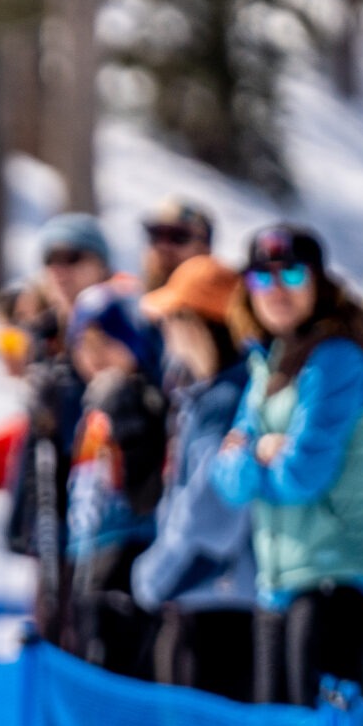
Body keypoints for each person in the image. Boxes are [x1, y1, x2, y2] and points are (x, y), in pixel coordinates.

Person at [211, 225, 363, 707]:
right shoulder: (266, 364)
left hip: (338, 570)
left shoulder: (336, 359)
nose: (275, 289)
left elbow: (304, 475)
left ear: (319, 282)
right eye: (261, 277)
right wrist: (260, 452)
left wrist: (251, 457)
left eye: (291, 273)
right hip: (282, 579)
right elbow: (225, 479)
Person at [132, 255, 257, 699]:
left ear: (197, 324)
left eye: (171, 317)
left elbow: (211, 515)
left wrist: (153, 577)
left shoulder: (224, 400)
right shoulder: (207, 396)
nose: (163, 328)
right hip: (209, 601)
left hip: (218, 608)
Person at [7, 214, 116, 643]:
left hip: (98, 524)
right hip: (48, 522)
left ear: (101, 265)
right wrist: (20, 521)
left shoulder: (118, 331)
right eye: (51, 258)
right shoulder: (43, 338)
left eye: (74, 257)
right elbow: (35, 436)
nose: (60, 270)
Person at [64, 284, 167, 676]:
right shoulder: (93, 402)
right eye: (82, 344)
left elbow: (147, 491)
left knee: (115, 671)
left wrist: (127, 421)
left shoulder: (138, 396)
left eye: (105, 343)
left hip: (125, 555)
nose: (93, 356)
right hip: (90, 552)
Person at [141, 196, 216, 294]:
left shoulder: (225, 306)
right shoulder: (121, 297)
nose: (163, 247)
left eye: (178, 236)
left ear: (205, 249)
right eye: (155, 234)